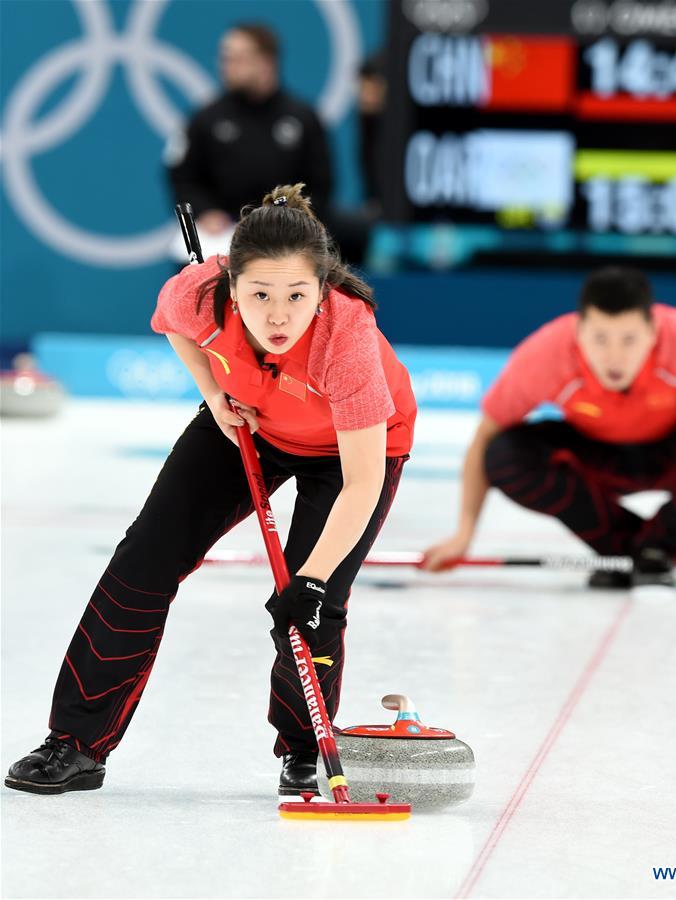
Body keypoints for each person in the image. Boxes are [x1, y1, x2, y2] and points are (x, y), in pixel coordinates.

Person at [5, 184, 416, 796]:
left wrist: (310, 579)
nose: (278, 315)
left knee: (313, 604)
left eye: (297, 296)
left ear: (323, 290)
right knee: (141, 565)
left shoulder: (346, 338)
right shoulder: (198, 293)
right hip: (247, 420)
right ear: (232, 288)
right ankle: (76, 743)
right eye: (260, 295)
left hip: (351, 452)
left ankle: (303, 749)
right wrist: (213, 390)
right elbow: (172, 321)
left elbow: (361, 481)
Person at [424, 267, 676, 588]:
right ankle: (637, 549)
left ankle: (661, 540)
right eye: (600, 339)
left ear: (654, 332)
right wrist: (464, 533)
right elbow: (484, 438)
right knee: (504, 454)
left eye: (629, 340)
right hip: (598, 460)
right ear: (579, 332)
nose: (614, 357)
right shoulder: (546, 354)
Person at [166, 23, 332, 235]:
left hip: (285, 234)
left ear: (265, 63)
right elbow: (182, 177)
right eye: (224, 58)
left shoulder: (303, 118)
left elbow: (320, 187)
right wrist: (206, 211)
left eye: (236, 59)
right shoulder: (205, 118)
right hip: (221, 234)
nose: (225, 66)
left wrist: (281, 212)